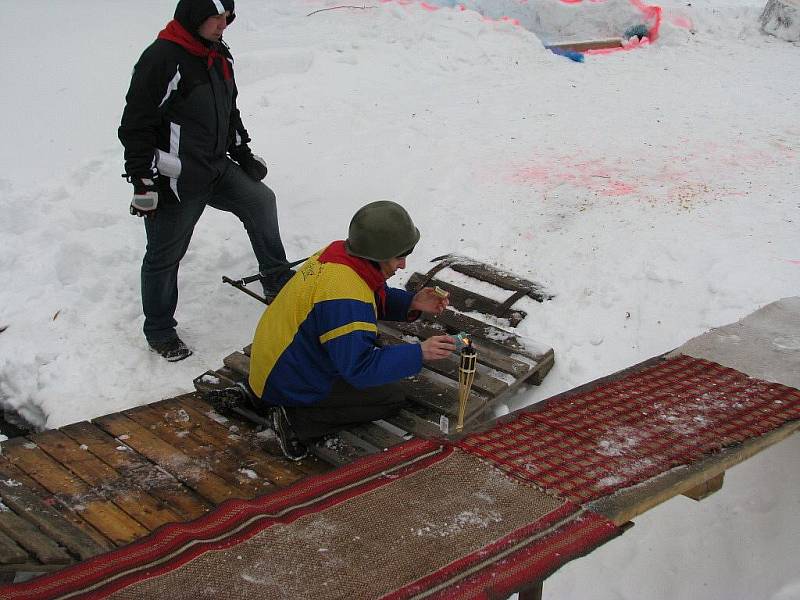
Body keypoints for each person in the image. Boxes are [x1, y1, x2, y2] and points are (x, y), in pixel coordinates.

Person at [118, 0, 291, 362]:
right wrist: (143, 182)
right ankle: (160, 330)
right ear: (194, 17)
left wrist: (242, 153)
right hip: (177, 178)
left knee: (260, 201)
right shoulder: (162, 58)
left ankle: (276, 280)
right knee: (165, 255)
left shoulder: (216, 53)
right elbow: (136, 124)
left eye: (227, 18)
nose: (222, 25)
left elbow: (229, 109)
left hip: (215, 166)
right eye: (215, 18)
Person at [244, 200, 455, 460]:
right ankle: (296, 420)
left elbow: (365, 294)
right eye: (400, 257)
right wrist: (418, 353)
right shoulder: (345, 295)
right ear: (377, 255)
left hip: (273, 364)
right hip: (285, 380)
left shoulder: (339, 256)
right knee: (390, 397)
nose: (403, 265)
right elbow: (359, 368)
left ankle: (265, 397)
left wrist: (411, 302)